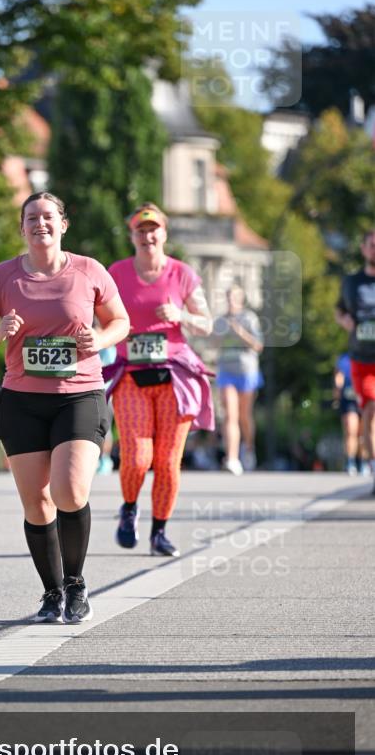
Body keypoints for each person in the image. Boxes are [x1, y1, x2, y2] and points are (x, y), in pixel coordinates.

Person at [0, 192, 129, 623]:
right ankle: (52, 592)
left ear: (63, 224)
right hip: (22, 400)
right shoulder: (3, 276)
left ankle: (76, 583)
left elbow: (120, 322)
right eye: (32, 217)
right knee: (37, 504)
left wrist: (102, 339)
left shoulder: (90, 270)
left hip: (80, 394)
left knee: (69, 492)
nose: (41, 223)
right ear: (22, 228)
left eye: (48, 216)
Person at [106, 203, 214, 556]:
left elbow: (207, 323)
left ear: (164, 233)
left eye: (153, 229)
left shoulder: (182, 274)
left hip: (174, 375)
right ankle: (129, 507)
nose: (148, 236)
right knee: (137, 457)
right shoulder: (117, 273)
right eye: (140, 230)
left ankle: (160, 531)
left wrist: (181, 315)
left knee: (168, 461)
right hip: (131, 374)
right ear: (132, 235)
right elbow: (99, 318)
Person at [335, 229, 375, 494]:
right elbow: (340, 308)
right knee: (370, 411)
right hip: (362, 359)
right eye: (372, 245)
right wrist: (344, 320)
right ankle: (373, 465)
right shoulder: (352, 282)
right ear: (363, 249)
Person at [213, 283, 264, 474]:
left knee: (244, 415)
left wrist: (240, 333)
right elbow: (214, 344)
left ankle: (249, 447)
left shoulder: (249, 318)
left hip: (246, 371)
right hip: (226, 370)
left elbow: (258, 345)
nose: (230, 301)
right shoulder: (220, 321)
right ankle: (232, 458)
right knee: (230, 414)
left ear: (241, 299)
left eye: (234, 297)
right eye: (228, 297)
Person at [333, 352, 366, 475]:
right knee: (351, 431)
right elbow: (338, 376)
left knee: (363, 434)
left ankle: (364, 462)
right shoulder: (343, 358)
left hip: (365, 397)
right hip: (349, 399)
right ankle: (350, 462)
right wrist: (337, 392)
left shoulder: (369, 355)